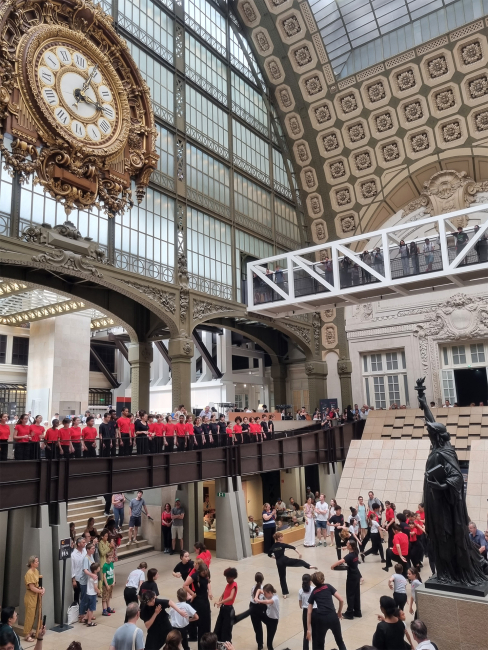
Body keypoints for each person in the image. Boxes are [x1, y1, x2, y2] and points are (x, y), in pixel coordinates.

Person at [268, 531, 316, 598]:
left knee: (282, 577)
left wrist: (275, 558)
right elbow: (293, 547)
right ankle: (309, 566)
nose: (283, 537)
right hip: (285, 560)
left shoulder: (273, 546)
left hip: (279, 562)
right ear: (278, 538)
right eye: (281, 536)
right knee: (298, 561)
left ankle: (284, 593)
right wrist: (299, 553)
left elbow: (269, 554)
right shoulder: (283, 545)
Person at [306, 571, 345, 650]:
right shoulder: (328, 587)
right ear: (323, 579)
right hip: (333, 616)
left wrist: (309, 630)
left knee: (320, 643)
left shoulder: (314, 592)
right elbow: (341, 600)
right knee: (340, 641)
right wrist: (339, 612)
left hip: (321, 619)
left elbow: (309, 611)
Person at [183, 559, 212, 649]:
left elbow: (208, 583)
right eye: (204, 573)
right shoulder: (195, 576)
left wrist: (210, 591)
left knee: (207, 624)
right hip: (199, 602)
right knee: (202, 626)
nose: (205, 574)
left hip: (205, 601)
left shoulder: (206, 576)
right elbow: (185, 585)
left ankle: (207, 644)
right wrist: (192, 593)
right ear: (200, 572)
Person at [233, 572, 266, 649]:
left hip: (252, 605)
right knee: (259, 626)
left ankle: (259, 644)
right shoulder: (263, 588)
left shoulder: (253, 587)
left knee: (256, 626)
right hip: (259, 607)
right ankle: (260, 644)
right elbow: (262, 600)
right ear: (262, 579)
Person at [331, 539, 361, 619]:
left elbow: (340, 561)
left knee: (350, 594)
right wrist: (345, 547)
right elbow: (350, 547)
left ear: (350, 546)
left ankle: (349, 613)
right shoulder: (356, 552)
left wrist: (332, 566)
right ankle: (357, 611)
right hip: (357, 575)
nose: (346, 544)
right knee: (356, 594)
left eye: (347, 544)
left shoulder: (349, 556)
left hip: (351, 577)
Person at [23, 556, 45, 642]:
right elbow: (32, 587)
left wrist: (43, 589)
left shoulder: (36, 571)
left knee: (35, 615)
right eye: (36, 562)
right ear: (32, 563)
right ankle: (27, 634)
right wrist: (40, 591)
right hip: (30, 596)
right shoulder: (29, 573)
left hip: (36, 596)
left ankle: (31, 631)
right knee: (30, 615)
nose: (38, 563)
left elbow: (38, 585)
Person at [213, 567, 238, 642]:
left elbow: (231, 597)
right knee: (218, 628)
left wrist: (220, 602)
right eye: (226, 577)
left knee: (226, 631)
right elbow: (225, 592)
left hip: (228, 610)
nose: (227, 579)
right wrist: (220, 598)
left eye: (228, 577)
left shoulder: (234, 585)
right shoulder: (228, 585)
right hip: (223, 609)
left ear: (233, 577)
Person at [70, 537, 86, 606]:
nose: (84, 543)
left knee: (85, 594)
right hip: (78, 578)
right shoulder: (73, 554)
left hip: (85, 576)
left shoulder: (85, 551)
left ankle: (84, 609)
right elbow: (72, 567)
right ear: (79, 544)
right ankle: (76, 609)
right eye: (83, 542)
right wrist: (73, 580)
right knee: (77, 593)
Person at [85, 561, 101, 626]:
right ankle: (89, 621)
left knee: (89, 607)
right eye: (98, 567)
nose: (99, 568)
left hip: (88, 593)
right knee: (91, 609)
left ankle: (86, 618)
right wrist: (98, 591)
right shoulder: (95, 577)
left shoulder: (90, 575)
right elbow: (95, 587)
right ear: (95, 570)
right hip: (92, 594)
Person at [102, 551, 116, 616]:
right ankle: (104, 610)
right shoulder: (105, 566)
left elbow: (113, 573)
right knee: (105, 597)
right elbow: (104, 576)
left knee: (109, 596)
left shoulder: (111, 564)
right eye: (109, 558)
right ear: (106, 558)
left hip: (111, 583)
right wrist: (107, 585)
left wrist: (114, 581)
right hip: (106, 584)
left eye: (111, 558)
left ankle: (108, 608)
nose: (110, 559)